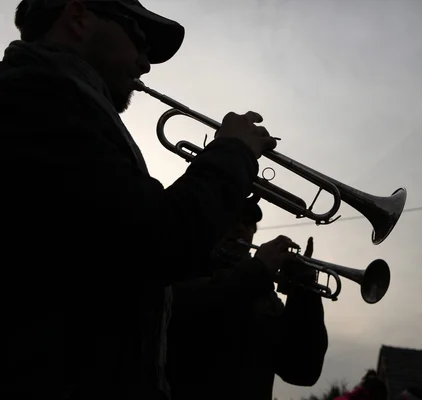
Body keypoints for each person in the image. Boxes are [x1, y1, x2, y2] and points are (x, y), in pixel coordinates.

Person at [0, 0, 277, 399]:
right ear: (79, 18)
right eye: (139, 40)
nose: (145, 63)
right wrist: (232, 153)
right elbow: (158, 238)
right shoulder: (36, 97)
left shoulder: (61, 103)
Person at [166, 198, 329, 400]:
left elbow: (301, 371)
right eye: (231, 218)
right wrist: (259, 270)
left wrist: (304, 293)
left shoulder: (264, 293)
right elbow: (195, 305)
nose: (240, 228)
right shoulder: (180, 265)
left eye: (248, 223)